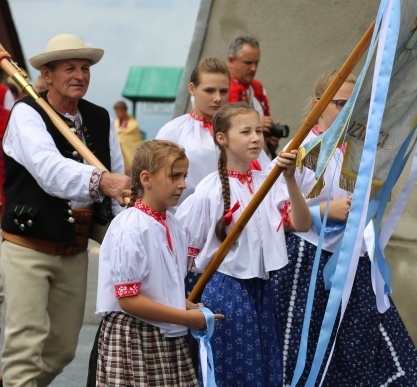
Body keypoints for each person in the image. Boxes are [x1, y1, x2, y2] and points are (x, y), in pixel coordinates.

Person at [270, 70, 417, 386]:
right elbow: (275, 216)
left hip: (355, 261)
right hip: (309, 263)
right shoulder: (301, 149)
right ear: (320, 104)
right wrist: (323, 212)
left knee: (372, 352)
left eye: (357, 104)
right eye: (342, 103)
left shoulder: (360, 151)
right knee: (304, 353)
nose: (350, 111)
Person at [0, 33, 131, 386]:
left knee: (61, 351)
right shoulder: (26, 114)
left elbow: (117, 185)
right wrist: (102, 181)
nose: (80, 75)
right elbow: (50, 172)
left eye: (85, 68)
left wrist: (125, 231)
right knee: (24, 347)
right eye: (70, 67)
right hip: (27, 247)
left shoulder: (100, 118)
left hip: (74, 248)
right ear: (47, 75)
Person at [176, 103, 311, 386]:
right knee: (236, 370)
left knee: (265, 365)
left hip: (262, 287)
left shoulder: (269, 182)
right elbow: (184, 251)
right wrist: (182, 299)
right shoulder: (209, 190)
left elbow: (302, 224)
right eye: (246, 131)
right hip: (227, 289)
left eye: (259, 131)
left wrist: (289, 179)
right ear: (222, 138)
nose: (255, 138)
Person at [95, 140, 221, 385]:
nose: (183, 184)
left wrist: (187, 307)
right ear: (146, 178)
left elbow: (159, 287)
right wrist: (185, 318)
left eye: (184, 176)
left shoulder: (173, 224)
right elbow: (129, 299)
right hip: (134, 336)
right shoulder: (131, 227)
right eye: (174, 176)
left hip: (165, 331)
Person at [156, 57, 271, 209]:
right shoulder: (173, 131)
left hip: (240, 217)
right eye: (209, 91)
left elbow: (267, 174)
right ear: (192, 88)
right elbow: (156, 182)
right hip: (186, 221)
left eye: (223, 91)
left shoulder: (241, 130)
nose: (217, 98)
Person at [227, 36, 282, 158]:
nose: (254, 68)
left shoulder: (257, 88)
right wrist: (255, 125)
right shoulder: (221, 90)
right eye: (248, 63)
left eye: (256, 63)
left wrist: (269, 140)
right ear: (231, 61)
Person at [113, 100, 142, 174]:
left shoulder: (133, 124)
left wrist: (121, 135)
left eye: (119, 111)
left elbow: (132, 140)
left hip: (130, 157)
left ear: (124, 110)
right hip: (118, 156)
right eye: (116, 112)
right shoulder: (115, 124)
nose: (117, 114)